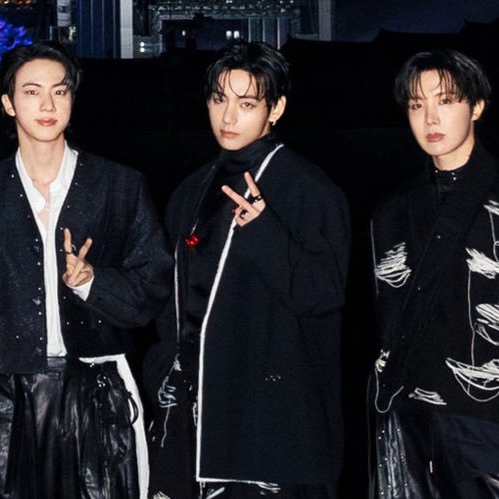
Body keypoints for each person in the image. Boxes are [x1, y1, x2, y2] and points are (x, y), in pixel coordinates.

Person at [0, 41, 169, 498]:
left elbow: (154, 286)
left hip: (98, 392)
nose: (47, 105)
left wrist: (93, 282)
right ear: (8, 103)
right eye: (32, 92)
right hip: (4, 396)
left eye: (60, 91)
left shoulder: (119, 186)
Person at [145, 41, 349, 498]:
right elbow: (170, 298)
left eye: (247, 103)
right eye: (219, 99)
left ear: (276, 108)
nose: (228, 116)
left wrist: (264, 233)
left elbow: (325, 294)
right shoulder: (191, 190)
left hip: (267, 427)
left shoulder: (308, 188)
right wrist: (162, 368)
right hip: (191, 415)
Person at [367, 49, 499, 498]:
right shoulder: (391, 211)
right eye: (416, 105)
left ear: (476, 106)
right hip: (409, 421)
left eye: (446, 101)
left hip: (492, 422)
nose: (430, 118)